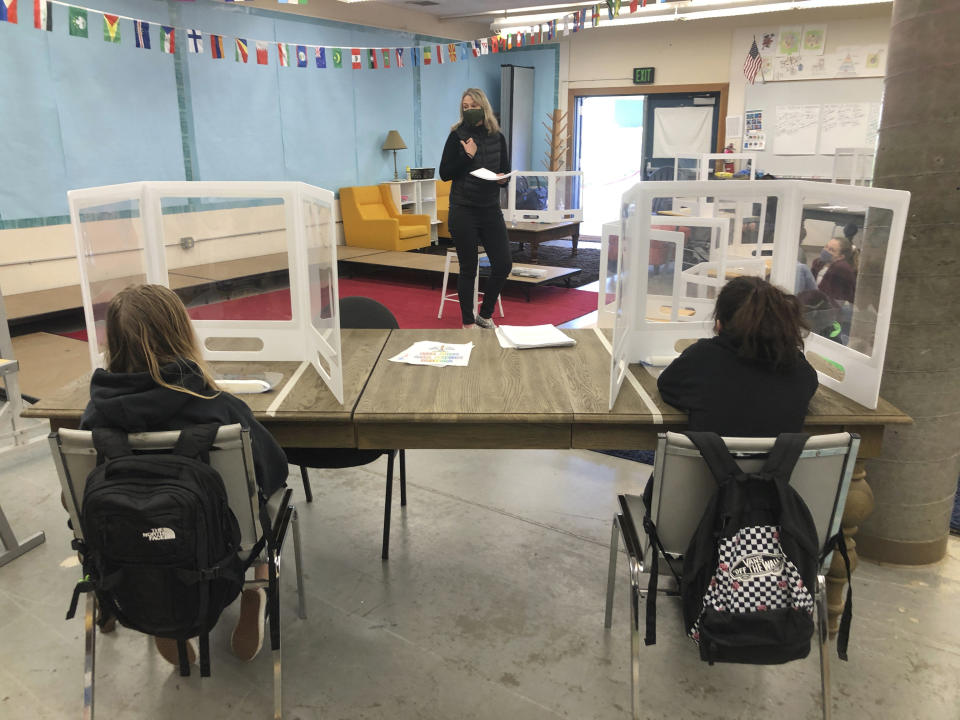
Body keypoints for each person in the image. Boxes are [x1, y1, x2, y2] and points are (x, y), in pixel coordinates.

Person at [79, 284, 288, 666]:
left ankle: (163, 623)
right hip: (220, 547)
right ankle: (253, 591)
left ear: (114, 344)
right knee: (257, 516)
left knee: (144, 523)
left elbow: (78, 496)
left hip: (133, 547)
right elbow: (272, 470)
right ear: (182, 334)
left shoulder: (95, 417)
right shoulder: (220, 408)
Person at [657, 276, 819, 437]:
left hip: (707, 462)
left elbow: (667, 387)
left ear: (719, 324)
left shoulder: (701, 358)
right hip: (779, 463)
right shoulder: (802, 373)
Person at [439, 88, 512, 329]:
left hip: (490, 208)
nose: (469, 110)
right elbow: (445, 173)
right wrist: (468, 156)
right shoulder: (456, 135)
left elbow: (505, 172)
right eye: (465, 107)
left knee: (503, 265)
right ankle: (468, 323)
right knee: (469, 267)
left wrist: (503, 179)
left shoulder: (498, 137)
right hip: (463, 208)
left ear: (484, 107)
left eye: (473, 106)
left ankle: (485, 315)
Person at [810, 234, 858, 304]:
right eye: (826, 246)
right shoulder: (818, 263)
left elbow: (833, 297)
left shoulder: (841, 268)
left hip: (834, 307)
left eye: (831, 250)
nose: (825, 250)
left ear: (840, 257)